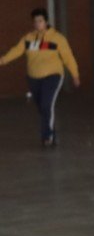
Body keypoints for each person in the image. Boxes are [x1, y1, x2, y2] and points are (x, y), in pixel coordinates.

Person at [0, 8, 80, 146]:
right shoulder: (28, 39)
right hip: (33, 77)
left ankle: (46, 137)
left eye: (40, 21)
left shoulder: (57, 38)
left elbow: (68, 57)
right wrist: (2, 60)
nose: (37, 24)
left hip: (53, 76)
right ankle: (51, 133)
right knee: (42, 108)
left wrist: (75, 74)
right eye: (35, 21)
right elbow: (16, 51)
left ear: (46, 21)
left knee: (46, 104)